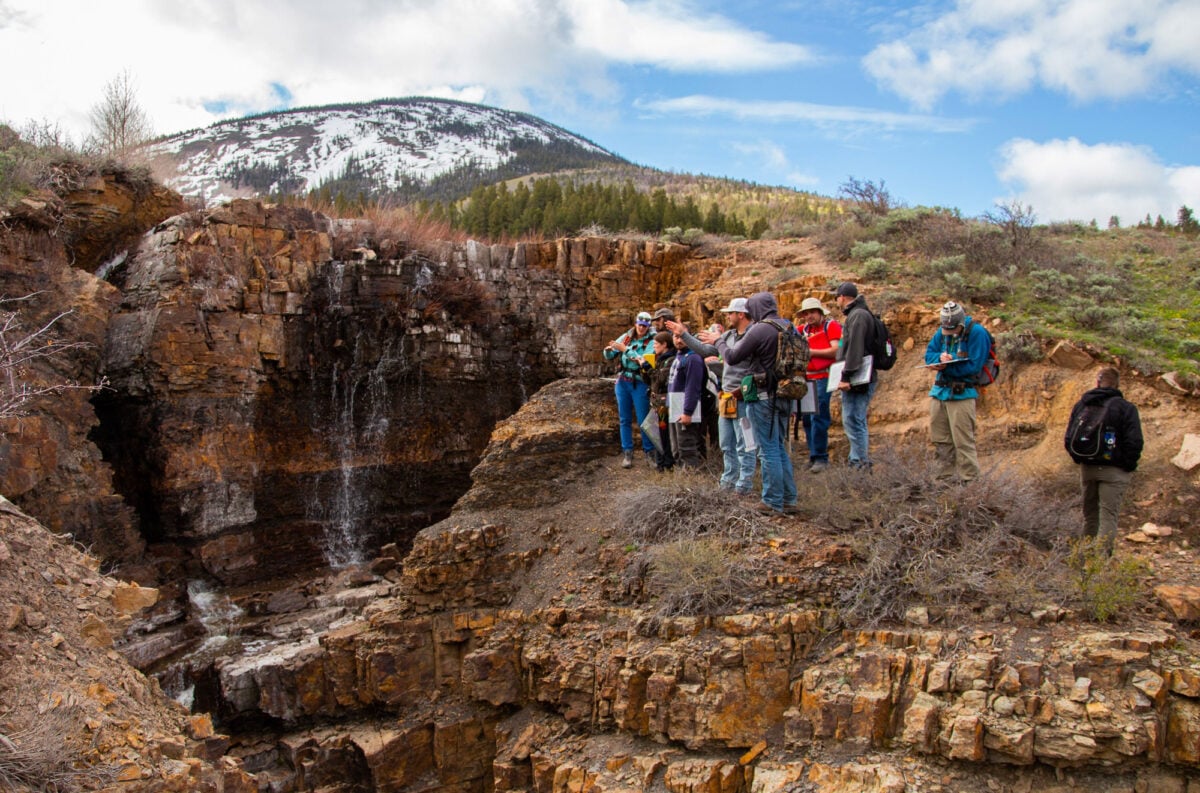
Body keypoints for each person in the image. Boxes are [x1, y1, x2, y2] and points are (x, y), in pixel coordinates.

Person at [715, 292, 797, 514]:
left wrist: (718, 341)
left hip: (763, 396)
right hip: (786, 394)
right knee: (778, 447)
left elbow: (732, 357)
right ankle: (789, 498)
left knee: (767, 449)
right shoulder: (789, 327)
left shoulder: (761, 329)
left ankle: (772, 501)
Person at [668, 299, 757, 495]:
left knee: (744, 443)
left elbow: (732, 356)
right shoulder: (730, 335)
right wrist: (684, 334)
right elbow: (706, 350)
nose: (727, 316)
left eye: (730, 313)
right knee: (727, 443)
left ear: (740, 314)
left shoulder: (752, 335)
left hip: (743, 397)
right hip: (726, 396)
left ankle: (744, 485)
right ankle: (728, 480)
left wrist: (718, 341)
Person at [1064, 367, 1143, 555]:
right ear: (1117, 384)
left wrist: (1080, 458)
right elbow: (1135, 441)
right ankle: (1099, 564)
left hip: (1087, 467)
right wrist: (1127, 465)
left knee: (1089, 516)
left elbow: (1069, 437)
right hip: (1114, 470)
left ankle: (1083, 559)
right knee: (1108, 516)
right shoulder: (1126, 408)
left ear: (1097, 382)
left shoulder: (1083, 404)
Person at [925, 300, 990, 482]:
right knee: (941, 442)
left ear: (960, 324)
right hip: (940, 393)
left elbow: (974, 366)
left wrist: (947, 365)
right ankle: (943, 482)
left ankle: (970, 485)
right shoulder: (942, 331)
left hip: (962, 395)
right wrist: (938, 359)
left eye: (953, 330)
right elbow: (929, 354)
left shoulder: (977, 333)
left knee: (963, 443)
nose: (949, 333)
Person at [833, 282, 878, 469]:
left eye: (836, 297)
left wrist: (845, 376)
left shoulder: (858, 315)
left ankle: (860, 464)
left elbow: (855, 349)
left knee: (854, 419)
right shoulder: (858, 314)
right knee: (852, 419)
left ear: (842, 297)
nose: (836, 301)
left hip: (858, 378)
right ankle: (857, 460)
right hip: (857, 376)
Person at [603, 310, 656, 468]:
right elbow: (611, 353)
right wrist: (608, 351)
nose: (641, 328)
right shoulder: (627, 336)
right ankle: (627, 452)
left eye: (645, 326)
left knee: (644, 419)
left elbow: (643, 360)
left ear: (648, 326)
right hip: (623, 382)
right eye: (640, 325)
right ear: (635, 324)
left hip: (639, 382)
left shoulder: (652, 341)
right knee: (624, 419)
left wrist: (624, 349)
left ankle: (650, 452)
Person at [796, 297, 842, 473]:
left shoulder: (831, 326)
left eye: (812, 312)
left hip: (823, 377)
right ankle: (813, 455)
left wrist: (810, 351)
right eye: (806, 313)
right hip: (807, 378)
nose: (809, 316)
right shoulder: (803, 330)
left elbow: (835, 350)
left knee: (819, 416)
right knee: (807, 417)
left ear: (820, 312)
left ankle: (821, 457)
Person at [667, 331, 707, 468]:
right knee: (676, 446)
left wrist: (688, 411)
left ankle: (692, 477)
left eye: (682, 337)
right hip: (675, 403)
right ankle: (681, 475)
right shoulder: (678, 356)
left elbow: (693, 386)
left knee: (687, 445)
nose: (679, 340)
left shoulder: (693, 358)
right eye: (676, 337)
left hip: (685, 405)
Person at [647, 331, 676, 471]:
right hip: (656, 402)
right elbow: (651, 381)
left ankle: (666, 462)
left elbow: (660, 380)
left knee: (663, 433)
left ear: (664, 344)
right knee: (655, 432)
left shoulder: (670, 360)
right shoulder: (660, 359)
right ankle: (661, 462)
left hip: (664, 404)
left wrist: (648, 368)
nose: (654, 347)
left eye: (656, 344)